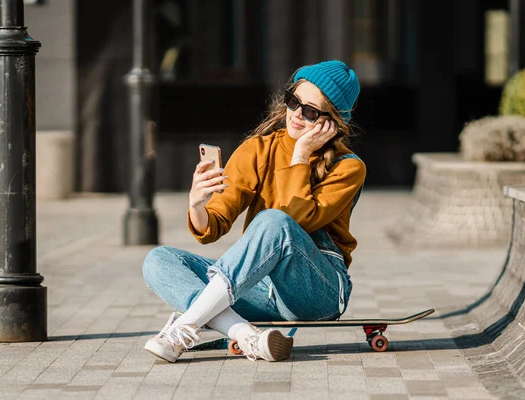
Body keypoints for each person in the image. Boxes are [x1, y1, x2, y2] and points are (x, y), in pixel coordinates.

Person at [142, 60, 366, 363]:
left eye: (311, 111)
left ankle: (185, 326)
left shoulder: (349, 167)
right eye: (293, 101)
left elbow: (296, 220)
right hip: (260, 288)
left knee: (273, 220)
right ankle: (246, 336)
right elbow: (213, 228)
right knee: (159, 260)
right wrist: (196, 202)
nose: (297, 114)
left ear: (332, 122)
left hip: (317, 290)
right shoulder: (257, 149)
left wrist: (300, 155)